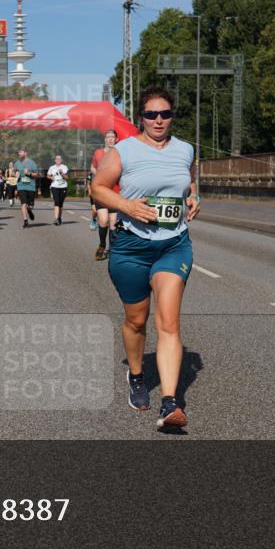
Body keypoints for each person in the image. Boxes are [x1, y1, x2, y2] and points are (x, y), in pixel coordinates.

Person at [92, 86, 200, 429]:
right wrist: (127, 206)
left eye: (165, 114)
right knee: (136, 321)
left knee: (168, 323)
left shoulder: (185, 149)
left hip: (173, 244)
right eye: (151, 114)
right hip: (131, 246)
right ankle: (137, 376)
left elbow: (188, 183)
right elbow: (98, 188)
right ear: (141, 117)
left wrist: (193, 198)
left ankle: (169, 404)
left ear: (172, 116)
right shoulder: (123, 151)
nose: (158, 120)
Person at [90, 130, 120, 260]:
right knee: (103, 220)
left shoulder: (120, 153)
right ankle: (102, 244)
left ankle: (112, 249)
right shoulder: (98, 153)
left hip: (115, 192)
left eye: (112, 137)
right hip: (101, 191)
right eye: (108, 137)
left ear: (116, 139)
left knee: (113, 223)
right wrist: (98, 174)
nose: (110, 139)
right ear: (105, 139)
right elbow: (92, 167)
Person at [14, 149, 40, 228]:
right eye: (18, 153)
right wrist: (16, 173)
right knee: (23, 203)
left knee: (30, 206)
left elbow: (37, 175)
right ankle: (25, 221)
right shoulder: (17, 163)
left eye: (21, 152)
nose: (19, 154)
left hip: (31, 187)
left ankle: (29, 210)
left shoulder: (32, 163)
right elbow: (14, 172)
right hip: (21, 186)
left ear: (25, 153)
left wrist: (29, 173)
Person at [46, 154, 70, 226]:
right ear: (55, 160)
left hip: (63, 187)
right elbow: (48, 175)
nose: (58, 160)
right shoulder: (52, 167)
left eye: (59, 159)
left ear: (61, 160)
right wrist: (51, 178)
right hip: (54, 186)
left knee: (60, 204)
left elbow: (67, 177)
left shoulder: (65, 167)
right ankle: (56, 218)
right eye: (57, 159)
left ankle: (59, 218)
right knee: (56, 202)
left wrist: (62, 173)